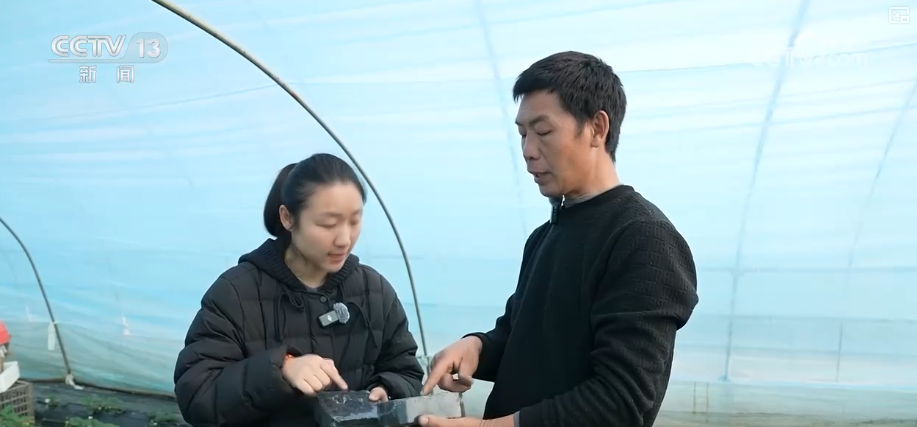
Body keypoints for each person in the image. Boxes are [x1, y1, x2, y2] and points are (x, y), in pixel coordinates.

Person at [419, 51, 699, 427]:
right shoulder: (546, 235)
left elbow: (620, 401)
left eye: (543, 131)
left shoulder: (644, 240)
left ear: (597, 128)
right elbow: (523, 340)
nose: (528, 151)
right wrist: (476, 347)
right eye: (522, 134)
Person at [174, 153, 424, 427]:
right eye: (328, 224)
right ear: (288, 218)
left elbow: (405, 369)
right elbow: (197, 395)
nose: (345, 239)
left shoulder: (374, 290)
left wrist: (388, 389)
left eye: (354, 221)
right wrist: (280, 369)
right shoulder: (236, 293)